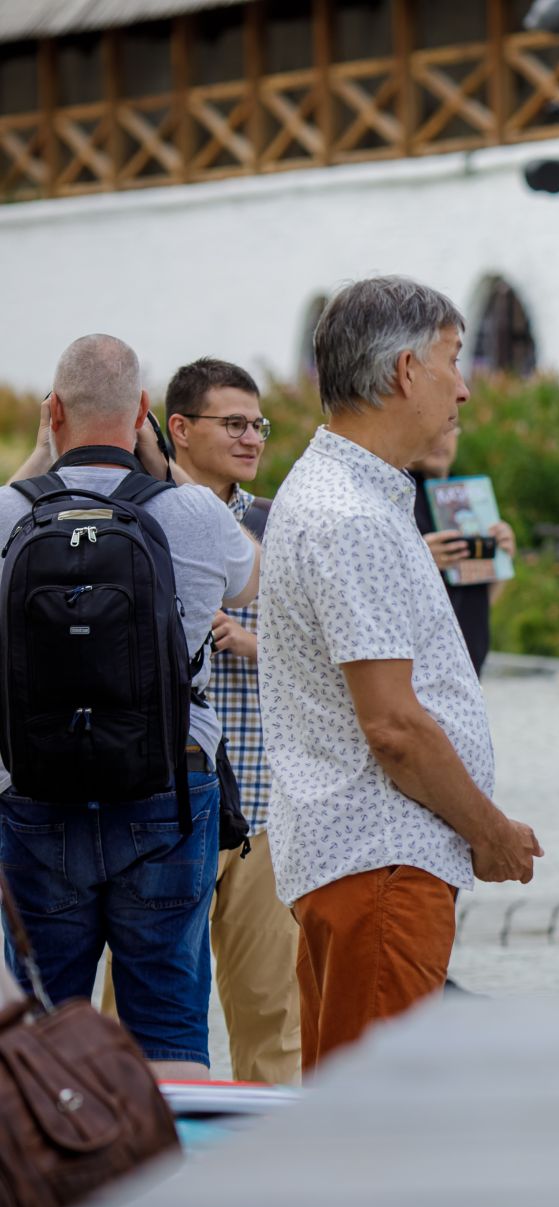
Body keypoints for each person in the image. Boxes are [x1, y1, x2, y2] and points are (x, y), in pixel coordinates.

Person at [258, 277, 543, 1073]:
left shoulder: (344, 495)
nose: (464, 387)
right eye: (454, 361)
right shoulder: (351, 513)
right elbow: (393, 726)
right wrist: (489, 832)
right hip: (381, 861)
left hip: (361, 860)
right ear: (404, 371)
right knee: (374, 1132)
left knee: (348, 1116)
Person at [0, 335, 259, 1080]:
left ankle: (55, 1183)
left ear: (54, 413)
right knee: (170, 1022)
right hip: (168, 794)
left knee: (42, 1024)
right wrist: (171, 474)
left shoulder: (11, 512)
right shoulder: (193, 514)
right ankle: (173, 1183)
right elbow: (253, 581)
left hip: (37, 797)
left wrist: (33, 465)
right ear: (144, 412)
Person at [164, 357, 301, 1083]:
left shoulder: (280, 522)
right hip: (166, 805)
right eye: (234, 424)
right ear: (178, 430)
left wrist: (256, 642)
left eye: (258, 425)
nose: (251, 438)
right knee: (148, 1014)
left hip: (265, 809)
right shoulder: (140, 519)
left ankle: (274, 1175)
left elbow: (335, 651)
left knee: (274, 1017)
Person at [410, 424, 517, 677]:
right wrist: (418, 557)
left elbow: (482, 600)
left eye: (451, 429)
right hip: (420, 661)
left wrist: (501, 558)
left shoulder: (470, 496)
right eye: (435, 428)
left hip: (469, 656)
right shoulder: (398, 497)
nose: (442, 440)